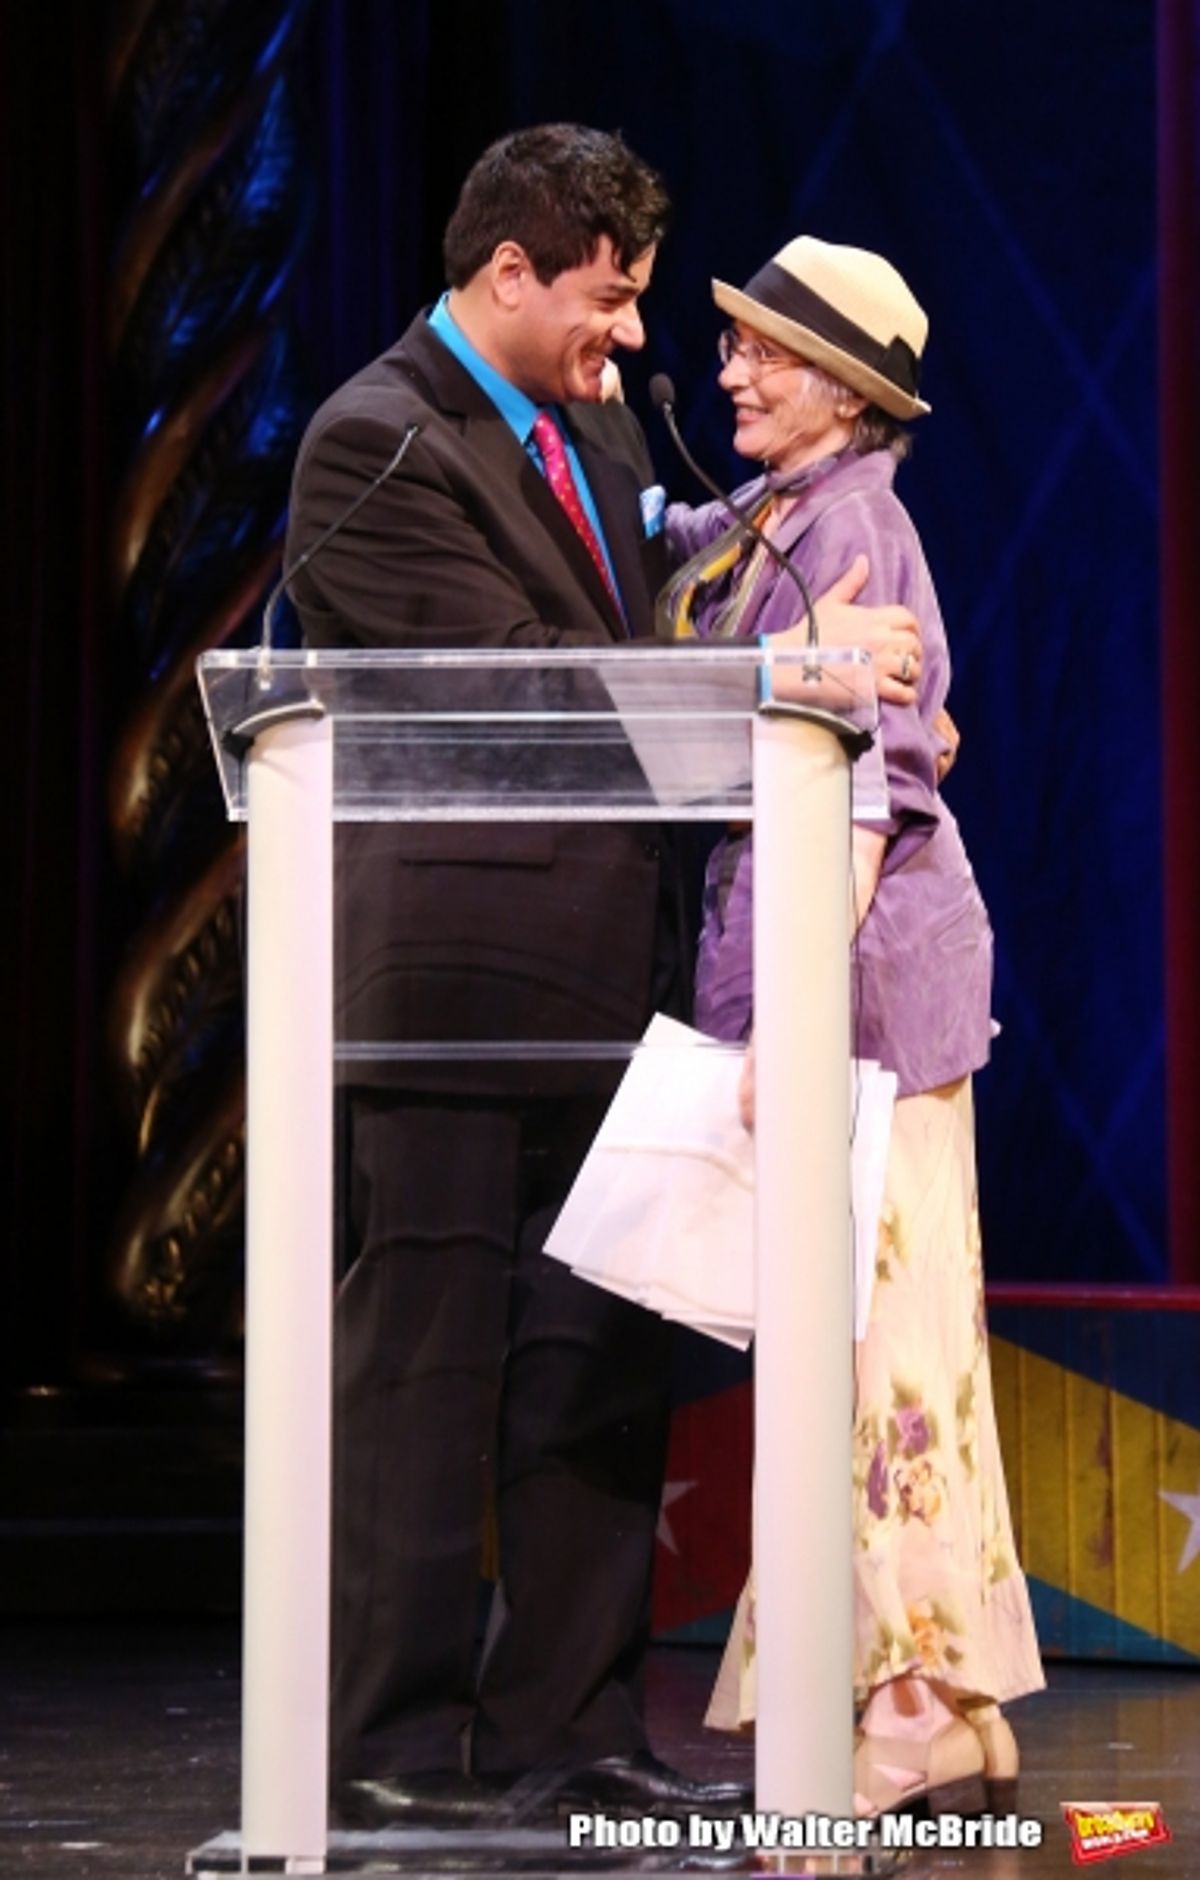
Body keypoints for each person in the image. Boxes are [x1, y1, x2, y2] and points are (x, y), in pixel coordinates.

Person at [285, 132, 927, 1829]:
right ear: (514, 270)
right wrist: (784, 670)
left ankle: (569, 1730)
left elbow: (650, 615)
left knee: (597, 1363)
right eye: (613, 298)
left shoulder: (594, 427)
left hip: (616, 981)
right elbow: (520, 684)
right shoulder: (374, 440)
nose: (633, 339)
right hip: (455, 987)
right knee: (426, 1369)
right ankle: (394, 1746)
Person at [660, 235, 1044, 1816]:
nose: (732, 367)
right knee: (852, 1348)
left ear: (836, 389)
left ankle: (921, 1694)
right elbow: (665, 578)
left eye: (761, 350)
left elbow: (876, 799)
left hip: (869, 995)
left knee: (893, 1351)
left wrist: (794, 1029)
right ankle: (913, 1684)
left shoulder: (856, 531)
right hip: (826, 987)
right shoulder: (777, 516)